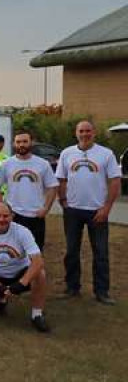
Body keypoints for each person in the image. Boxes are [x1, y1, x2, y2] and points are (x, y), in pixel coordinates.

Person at [56, 120, 121, 305]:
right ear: (76, 133)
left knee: (101, 253)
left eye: (88, 131)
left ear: (94, 133)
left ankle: (102, 292)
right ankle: (72, 288)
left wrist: (106, 208)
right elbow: (61, 179)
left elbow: (115, 181)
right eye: (81, 131)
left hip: (97, 210)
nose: (85, 134)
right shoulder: (67, 153)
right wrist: (63, 201)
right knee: (71, 251)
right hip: (73, 211)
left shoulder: (106, 154)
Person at [0, 203, 50, 332]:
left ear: (12, 216)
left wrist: (21, 284)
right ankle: (1, 301)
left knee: (40, 274)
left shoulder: (23, 232)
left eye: (5, 216)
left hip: (20, 273)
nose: (1, 219)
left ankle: (37, 314)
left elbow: (38, 261)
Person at [0, 131, 58, 250]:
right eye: (18, 142)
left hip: (36, 215)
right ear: (14, 144)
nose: (21, 145)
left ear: (31, 143)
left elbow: (52, 187)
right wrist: (4, 208)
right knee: (14, 250)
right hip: (14, 215)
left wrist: (46, 208)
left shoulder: (43, 164)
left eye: (25, 141)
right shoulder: (6, 164)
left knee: (36, 250)